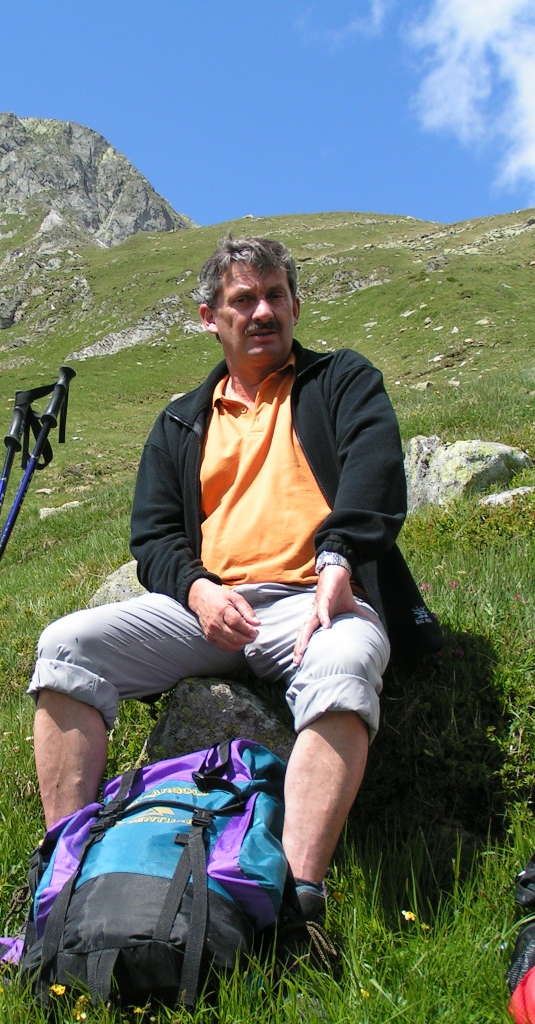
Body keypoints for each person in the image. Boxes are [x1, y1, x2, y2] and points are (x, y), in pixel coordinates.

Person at [28, 236, 441, 937]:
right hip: (212, 608)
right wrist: (198, 592)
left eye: (275, 295)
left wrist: (338, 562)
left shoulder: (340, 380)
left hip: (316, 597)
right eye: (243, 300)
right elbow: (153, 536)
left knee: (345, 661)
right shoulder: (181, 420)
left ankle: (295, 903)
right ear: (209, 318)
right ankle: (64, 876)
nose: (262, 311)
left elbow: (375, 475)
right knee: (67, 647)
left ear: (296, 306)